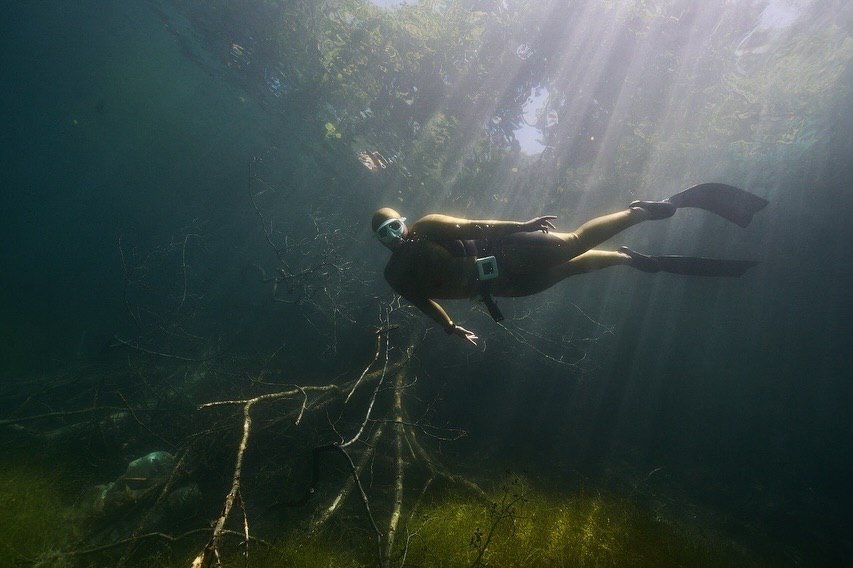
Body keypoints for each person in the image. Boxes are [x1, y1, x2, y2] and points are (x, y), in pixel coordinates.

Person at [373, 183, 767, 345]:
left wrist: (521, 225)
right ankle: (627, 259)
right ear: (380, 241)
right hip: (502, 287)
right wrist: (450, 327)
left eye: (394, 226)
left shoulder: (426, 228)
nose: (392, 236)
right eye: (384, 234)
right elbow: (423, 303)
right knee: (572, 266)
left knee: (574, 244)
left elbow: (474, 225)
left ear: (403, 222)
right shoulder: (396, 276)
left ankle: (641, 212)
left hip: (506, 253)